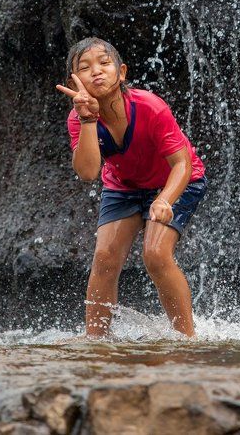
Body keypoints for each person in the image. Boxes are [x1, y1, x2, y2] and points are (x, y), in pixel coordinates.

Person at [55, 37, 207, 337]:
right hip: (124, 186)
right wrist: (88, 120)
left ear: (121, 72)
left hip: (177, 181)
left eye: (104, 63)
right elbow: (87, 172)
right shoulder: (78, 118)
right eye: (84, 67)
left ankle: (187, 340)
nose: (96, 71)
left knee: (155, 254)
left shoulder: (150, 106)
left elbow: (182, 164)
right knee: (104, 259)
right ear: (74, 81)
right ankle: (96, 341)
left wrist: (164, 200)